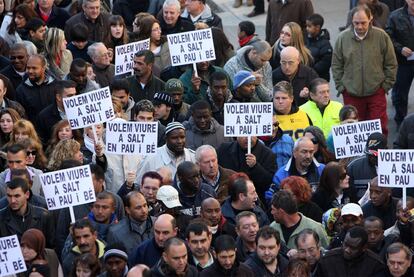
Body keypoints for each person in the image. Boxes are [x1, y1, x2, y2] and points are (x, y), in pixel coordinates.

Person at [332, 5, 397, 136]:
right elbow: (336, 65)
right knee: (354, 131)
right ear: (351, 21)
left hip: (376, 92)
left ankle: (378, 155)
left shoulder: (381, 36)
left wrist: (385, 86)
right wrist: (341, 87)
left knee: (379, 129)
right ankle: (358, 157)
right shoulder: (342, 39)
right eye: (356, 23)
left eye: (363, 23)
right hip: (351, 93)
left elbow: (391, 63)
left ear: (370, 19)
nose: (360, 27)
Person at [218, 135, 276, 200]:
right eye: (243, 134)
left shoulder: (268, 154)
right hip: (228, 198)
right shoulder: (224, 149)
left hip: (256, 200)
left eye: (251, 134)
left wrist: (255, 166)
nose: (247, 137)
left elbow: (268, 182)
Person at [0, 178, 55, 247]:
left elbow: (51, 246)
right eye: (9, 196)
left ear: (27, 194)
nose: (12, 200)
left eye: (17, 196)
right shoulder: (1, 217)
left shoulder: (43, 216)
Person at [385, 0, 414, 127]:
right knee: (400, 95)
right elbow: (388, 37)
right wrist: (400, 48)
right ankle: (401, 123)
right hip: (403, 62)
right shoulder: (395, 16)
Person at [315, 226, 386, 276]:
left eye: (353, 248)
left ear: (364, 248)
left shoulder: (375, 264)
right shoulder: (327, 260)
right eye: (345, 244)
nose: (347, 250)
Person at [16, 54, 58, 123]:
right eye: (28, 68)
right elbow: (20, 116)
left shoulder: (56, 86)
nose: (30, 71)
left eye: (34, 68)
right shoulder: (21, 90)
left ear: (43, 68)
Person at [347, 132, 387, 199]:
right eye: (369, 154)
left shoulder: (395, 165)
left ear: (386, 150)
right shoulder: (354, 167)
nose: (372, 157)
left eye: (375, 155)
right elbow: (348, 193)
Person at [36, 80, 77, 144]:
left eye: (75, 95)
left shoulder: (80, 111)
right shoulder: (44, 116)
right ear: (59, 97)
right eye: (70, 96)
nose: (74, 99)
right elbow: (42, 142)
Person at [304, 14, 333, 81]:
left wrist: (310, 71)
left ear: (317, 27)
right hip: (307, 76)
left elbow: (325, 63)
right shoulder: (306, 38)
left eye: (309, 26)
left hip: (319, 79)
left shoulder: (325, 44)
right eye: (306, 26)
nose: (307, 28)